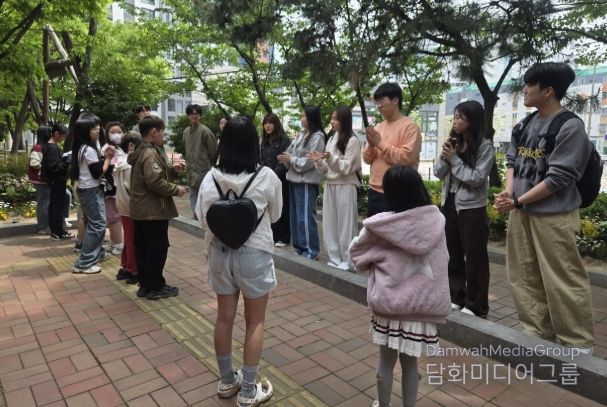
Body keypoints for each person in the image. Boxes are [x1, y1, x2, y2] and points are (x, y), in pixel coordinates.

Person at [494, 62, 594, 354]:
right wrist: (509, 192)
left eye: (529, 85)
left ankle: (576, 342)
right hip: (521, 212)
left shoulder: (570, 126)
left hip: (554, 216)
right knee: (524, 275)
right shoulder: (524, 124)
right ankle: (536, 332)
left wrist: (518, 200)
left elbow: (559, 178)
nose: (524, 90)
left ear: (548, 91)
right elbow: (512, 161)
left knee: (562, 277)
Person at [196, 116, 280, 407]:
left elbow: (202, 218)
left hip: (219, 253)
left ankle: (226, 381)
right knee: (255, 321)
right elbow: (276, 214)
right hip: (254, 252)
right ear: (253, 144)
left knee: (224, 317)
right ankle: (248, 391)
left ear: (224, 143)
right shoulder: (266, 176)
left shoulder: (210, 178)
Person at [350, 166, 450, 407]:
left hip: (389, 304)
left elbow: (356, 255)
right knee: (411, 364)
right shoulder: (435, 221)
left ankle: (383, 404)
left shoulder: (379, 226)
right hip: (421, 307)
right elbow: (443, 259)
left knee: (385, 362)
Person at [433, 101, 495, 318]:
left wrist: (454, 159)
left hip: (472, 208)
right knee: (452, 253)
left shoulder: (485, 146)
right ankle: (456, 296)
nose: (455, 121)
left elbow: (476, 178)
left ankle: (476, 305)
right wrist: (446, 157)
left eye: (460, 117)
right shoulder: (453, 143)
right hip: (449, 203)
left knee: (475, 257)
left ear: (473, 120)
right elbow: (438, 173)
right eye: (455, 117)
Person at [128, 115, 187, 300]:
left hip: (141, 210)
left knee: (143, 249)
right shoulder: (150, 153)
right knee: (156, 249)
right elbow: (154, 181)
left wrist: (172, 170)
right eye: (162, 132)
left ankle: (146, 285)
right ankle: (155, 286)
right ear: (154, 132)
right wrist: (176, 189)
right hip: (152, 211)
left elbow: (153, 175)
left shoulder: (141, 151)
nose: (164, 135)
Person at [309, 106, 361, 270]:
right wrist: (318, 161)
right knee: (330, 224)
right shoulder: (331, 139)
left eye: (335, 118)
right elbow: (326, 169)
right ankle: (334, 258)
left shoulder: (352, 140)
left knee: (346, 225)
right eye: (331, 118)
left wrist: (330, 157)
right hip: (330, 184)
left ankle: (348, 260)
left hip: (346, 185)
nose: (332, 121)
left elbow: (346, 168)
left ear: (344, 120)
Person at [363, 83, 422, 217]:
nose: (378, 106)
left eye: (381, 101)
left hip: (399, 192)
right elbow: (367, 159)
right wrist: (371, 145)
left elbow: (406, 158)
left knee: (397, 230)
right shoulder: (378, 127)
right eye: (377, 102)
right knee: (374, 230)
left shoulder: (410, 127)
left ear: (395, 100)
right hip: (374, 190)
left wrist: (380, 143)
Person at [277, 106, 326, 260]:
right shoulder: (301, 134)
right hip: (294, 179)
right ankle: (299, 247)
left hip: (306, 182)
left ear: (311, 118)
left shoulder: (317, 137)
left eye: (304, 116)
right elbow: (289, 151)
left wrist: (290, 159)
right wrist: (286, 158)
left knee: (305, 216)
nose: (301, 118)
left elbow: (309, 162)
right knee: (296, 216)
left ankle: (311, 250)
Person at [70, 113, 115, 274]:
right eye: (95, 128)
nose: (98, 130)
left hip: (85, 190)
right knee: (98, 225)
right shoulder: (88, 149)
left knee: (92, 223)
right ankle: (84, 263)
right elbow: (97, 173)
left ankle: (95, 254)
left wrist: (103, 157)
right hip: (91, 190)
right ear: (86, 131)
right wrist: (108, 158)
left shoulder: (81, 148)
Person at [29, 126, 71, 234]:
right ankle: (43, 227)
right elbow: (34, 163)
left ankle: (59, 220)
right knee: (44, 202)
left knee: (65, 196)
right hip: (40, 180)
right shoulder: (38, 147)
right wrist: (46, 168)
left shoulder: (47, 146)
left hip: (47, 179)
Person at [114, 131, 141, 285]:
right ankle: (133, 270)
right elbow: (133, 187)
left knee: (129, 239)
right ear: (131, 146)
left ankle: (125, 266)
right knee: (132, 241)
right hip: (132, 207)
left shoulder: (121, 161)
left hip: (123, 205)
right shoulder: (130, 165)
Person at [260, 113, 291, 247]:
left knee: (282, 207)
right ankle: (273, 235)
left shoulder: (284, 140)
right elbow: (261, 159)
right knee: (270, 207)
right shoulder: (264, 140)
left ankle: (284, 238)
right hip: (267, 179)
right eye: (265, 123)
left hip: (281, 180)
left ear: (276, 124)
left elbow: (284, 161)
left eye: (270, 123)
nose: (267, 126)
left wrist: (272, 175)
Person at [183, 104, 218, 218]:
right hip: (190, 169)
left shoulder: (205, 131)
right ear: (188, 115)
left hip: (203, 169)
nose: (194, 116)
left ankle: (204, 216)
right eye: (191, 114)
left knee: (203, 194)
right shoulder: (186, 132)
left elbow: (213, 151)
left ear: (200, 116)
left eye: (196, 113)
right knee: (193, 193)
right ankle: (196, 215)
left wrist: (210, 164)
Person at [41, 124, 73, 240]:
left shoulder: (50, 147)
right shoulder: (53, 148)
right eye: (63, 136)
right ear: (56, 134)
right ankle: (57, 232)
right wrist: (66, 162)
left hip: (55, 181)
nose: (64, 138)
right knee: (57, 206)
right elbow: (53, 167)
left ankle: (56, 231)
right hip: (57, 180)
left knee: (54, 205)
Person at [101, 122, 125, 255]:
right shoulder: (107, 148)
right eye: (113, 132)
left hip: (119, 187)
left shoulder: (119, 148)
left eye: (119, 132)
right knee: (113, 217)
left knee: (116, 216)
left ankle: (118, 243)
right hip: (111, 188)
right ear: (107, 134)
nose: (116, 135)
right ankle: (118, 245)